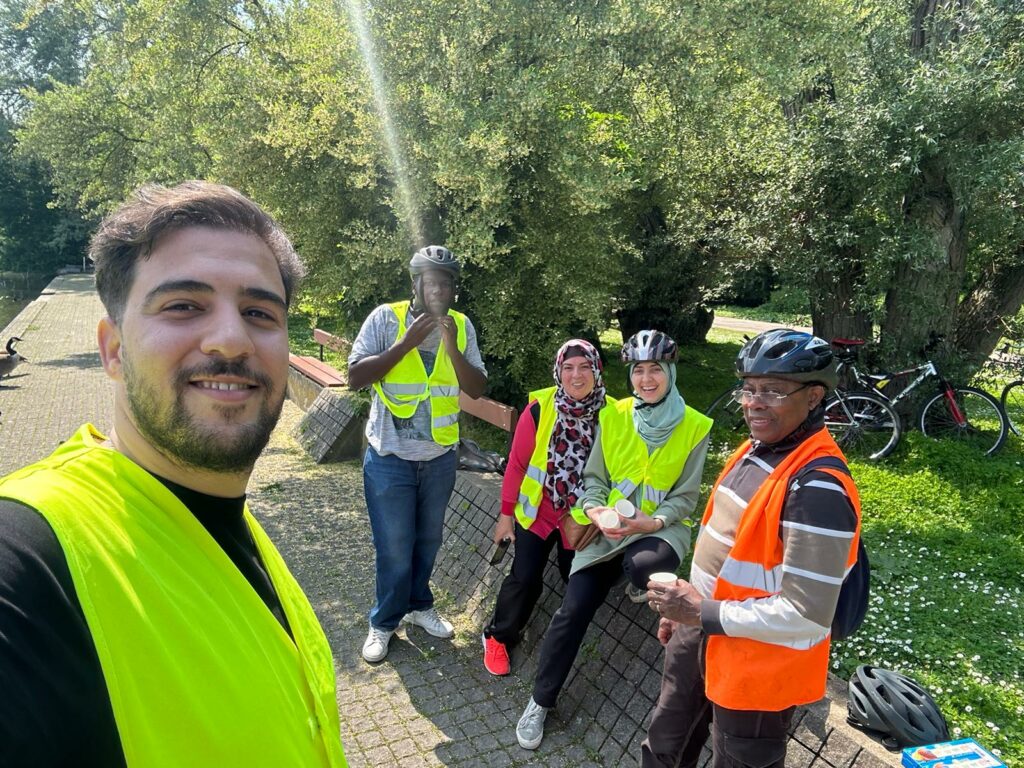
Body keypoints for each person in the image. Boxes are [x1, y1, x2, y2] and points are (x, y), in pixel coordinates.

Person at [0, 181, 347, 767]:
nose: (232, 339)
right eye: (184, 305)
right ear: (113, 350)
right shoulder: (31, 562)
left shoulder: (234, 529)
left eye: (260, 312)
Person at [641, 329, 862, 768]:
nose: (754, 402)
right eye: (749, 388)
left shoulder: (818, 488)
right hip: (702, 635)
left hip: (758, 671)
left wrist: (698, 612)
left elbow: (806, 615)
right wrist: (683, 613)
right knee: (665, 744)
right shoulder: (756, 448)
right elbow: (726, 549)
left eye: (774, 391)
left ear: (815, 396)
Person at [515, 329, 712, 750]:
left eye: (655, 369)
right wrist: (597, 511)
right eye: (638, 370)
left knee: (643, 567)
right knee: (571, 611)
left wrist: (651, 522)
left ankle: (655, 603)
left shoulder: (695, 426)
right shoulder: (615, 415)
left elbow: (686, 498)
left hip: (659, 530)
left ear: (670, 372)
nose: (646, 379)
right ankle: (539, 701)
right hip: (608, 533)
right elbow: (593, 481)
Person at [347, 245, 487, 663]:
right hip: (390, 457)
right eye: (430, 282)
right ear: (416, 284)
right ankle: (385, 621)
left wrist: (452, 346)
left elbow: (476, 388)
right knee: (394, 544)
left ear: (453, 289)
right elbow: (355, 377)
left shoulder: (462, 326)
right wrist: (406, 344)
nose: (438, 290)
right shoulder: (385, 319)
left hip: (440, 457)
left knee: (428, 539)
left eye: (445, 283)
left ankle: (420, 606)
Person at [482, 338, 613, 676]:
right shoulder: (540, 408)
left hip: (582, 519)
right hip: (537, 514)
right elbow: (516, 465)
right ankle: (498, 637)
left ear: (597, 371)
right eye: (568, 367)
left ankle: (561, 653)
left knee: (575, 579)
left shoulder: (613, 414)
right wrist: (505, 517)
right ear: (558, 371)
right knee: (524, 578)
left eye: (585, 366)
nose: (576, 375)